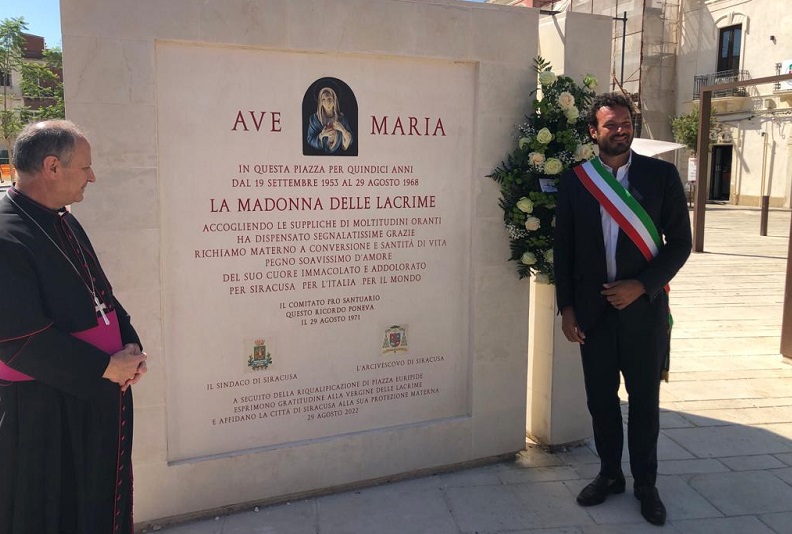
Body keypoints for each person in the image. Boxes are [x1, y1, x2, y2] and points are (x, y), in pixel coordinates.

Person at [0, 120, 147, 534]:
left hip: (93, 396)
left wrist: (131, 345)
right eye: (85, 168)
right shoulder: (5, 234)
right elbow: (17, 341)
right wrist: (103, 368)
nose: (92, 177)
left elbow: (101, 292)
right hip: (46, 410)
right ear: (52, 167)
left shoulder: (62, 219)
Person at [554, 93, 691, 526]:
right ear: (594, 132)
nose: (621, 130)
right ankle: (610, 474)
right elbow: (565, 252)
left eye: (626, 122)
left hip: (643, 313)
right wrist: (567, 310)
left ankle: (645, 484)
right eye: (610, 124)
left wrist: (642, 285)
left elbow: (680, 245)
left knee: (645, 402)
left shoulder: (662, 176)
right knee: (601, 401)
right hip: (593, 316)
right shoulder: (577, 181)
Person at [306, 86, 353, 154]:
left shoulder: (342, 119)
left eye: (329, 99)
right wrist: (322, 135)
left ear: (334, 100)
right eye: (323, 100)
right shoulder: (314, 119)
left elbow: (350, 142)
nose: (327, 102)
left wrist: (342, 129)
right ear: (320, 102)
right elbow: (310, 139)